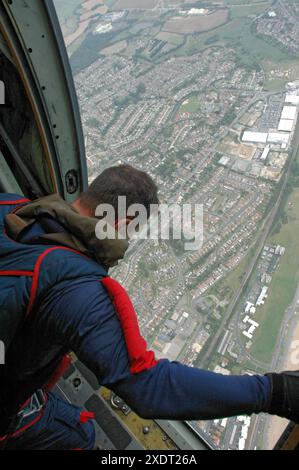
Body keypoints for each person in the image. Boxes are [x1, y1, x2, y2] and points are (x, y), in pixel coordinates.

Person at [0, 164, 298, 450]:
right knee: (82, 432)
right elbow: (150, 386)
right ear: (124, 224)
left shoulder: (12, 207)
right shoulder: (80, 290)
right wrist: (273, 392)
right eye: (131, 232)